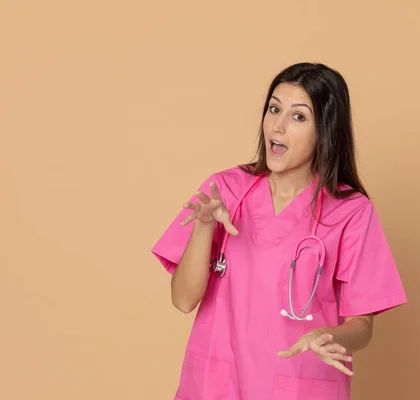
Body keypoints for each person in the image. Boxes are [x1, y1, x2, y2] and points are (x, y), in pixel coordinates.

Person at [151, 62, 407, 400]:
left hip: (298, 383)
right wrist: (203, 227)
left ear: (325, 130)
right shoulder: (224, 190)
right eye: (274, 109)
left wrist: (330, 337)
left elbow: (362, 326)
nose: (278, 125)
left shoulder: (351, 211)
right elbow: (183, 301)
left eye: (298, 116)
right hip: (218, 386)